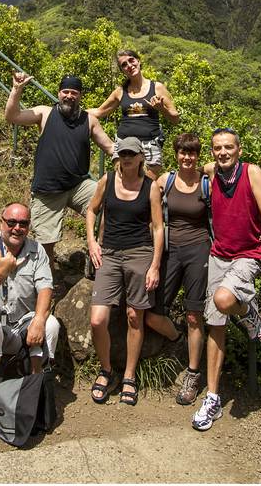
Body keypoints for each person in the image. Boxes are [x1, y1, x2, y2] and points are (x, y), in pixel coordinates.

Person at [192, 128, 261, 432]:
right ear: (212, 152)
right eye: (217, 148)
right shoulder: (211, 171)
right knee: (215, 326)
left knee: (224, 301)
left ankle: (250, 314)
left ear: (239, 149)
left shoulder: (251, 173)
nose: (223, 152)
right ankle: (212, 398)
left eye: (228, 147)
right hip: (218, 255)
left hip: (248, 256)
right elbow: (193, 168)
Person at [0, 202, 60, 439]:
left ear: (29, 226)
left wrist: (39, 320)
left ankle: (34, 388)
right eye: (11, 222)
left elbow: (45, 288)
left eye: (23, 223)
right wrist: (1, 272)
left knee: (51, 324)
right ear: (1, 223)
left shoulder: (37, 251)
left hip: (21, 327)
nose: (17, 228)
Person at [5, 73, 114, 269]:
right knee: (45, 244)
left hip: (78, 185)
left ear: (80, 96)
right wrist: (16, 89)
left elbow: (110, 148)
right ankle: (46, 280)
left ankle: (100, 252)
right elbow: (13, 116)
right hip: (48, 190)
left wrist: (135, 158)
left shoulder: (89, 120)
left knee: (112, 200)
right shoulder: (45, 113)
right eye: (66, 91)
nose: (69, 96)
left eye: (74, 92)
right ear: (59, 93)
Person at [86, 137, 164, 407]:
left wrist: (155, 265)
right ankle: (106, 370)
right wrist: (92, 242)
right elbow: (91, 210)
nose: (127, 157)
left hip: (139, 253)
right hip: (109, 252)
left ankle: (129, 375)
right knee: (98, 320)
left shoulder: (151, 187)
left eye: (132, 153)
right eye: (123, 153)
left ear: (141, 157)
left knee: (134, 315)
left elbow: (158, 228)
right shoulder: (107, 181)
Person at [145, 132, 211, 405]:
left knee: (194, 315)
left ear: (198, 155)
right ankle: (178, 340)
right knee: (152, 314)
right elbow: (152, 218)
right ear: (176, 154)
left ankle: (193, 373)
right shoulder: (165, 181)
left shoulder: (206, 182)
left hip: (199, 250)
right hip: (170, 250)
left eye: (192, 153)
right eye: (183, 152)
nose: (187, 157)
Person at [88, 49, 179, 178]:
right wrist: (75, 111)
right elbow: (100, 112)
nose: (129, 65)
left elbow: (175, 119)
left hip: (150, 147)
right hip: (124, 146)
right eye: (124, 65)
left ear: (139, 61)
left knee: (147, 186)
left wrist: (161, 108)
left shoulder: (157, 87)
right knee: (123, 184)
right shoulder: (120, 91)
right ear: (122, 71)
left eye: (131, 60)